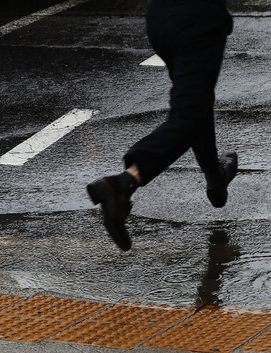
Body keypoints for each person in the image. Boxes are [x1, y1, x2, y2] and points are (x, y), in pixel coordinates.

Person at [87, 0, 236, 251]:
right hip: (197, 18)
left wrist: (214, 176)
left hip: (159, 18)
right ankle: (123, 183)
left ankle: (215, 177)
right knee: (188, 113)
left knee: (194, 104)